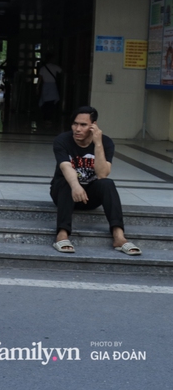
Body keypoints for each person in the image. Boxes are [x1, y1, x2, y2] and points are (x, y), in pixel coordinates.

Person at [50, 106, 141, 256]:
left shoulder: (106, 143)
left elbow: (102, 174)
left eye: (83, 125)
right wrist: (75, 185)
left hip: (89, 196)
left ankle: (119, 236)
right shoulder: (62, 140)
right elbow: (65, 167)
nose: (77, 129)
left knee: (108, 184)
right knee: (67, 181)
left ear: (94, 126)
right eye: (75, 124)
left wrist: (98, 144)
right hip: (63, 192)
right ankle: (62, 234)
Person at [37, 52, 62, 125]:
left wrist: (37, 87)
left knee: (45, 102)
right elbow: (61, 72)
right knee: (51, 103)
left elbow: (40, 79)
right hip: (52, 86)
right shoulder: (55, 67)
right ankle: (49, 118)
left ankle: (45, 117)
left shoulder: (43, 68)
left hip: (45, 86)